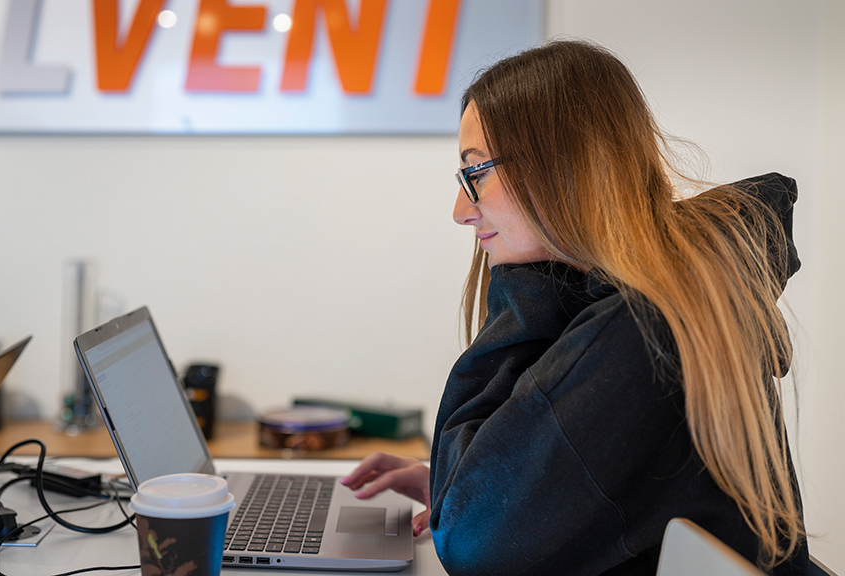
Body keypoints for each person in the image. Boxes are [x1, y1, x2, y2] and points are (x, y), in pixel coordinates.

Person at [341, 40, 808, 576]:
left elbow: (473, 543)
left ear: (561, 164)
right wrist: (456, 479)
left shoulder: (645, 332)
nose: (460, 212)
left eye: (477, 173)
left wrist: (464, 494)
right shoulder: (668, 303)